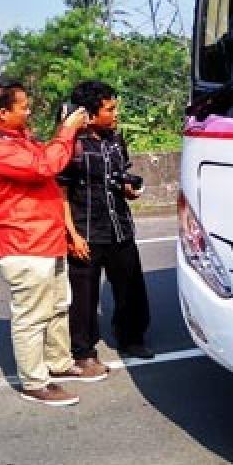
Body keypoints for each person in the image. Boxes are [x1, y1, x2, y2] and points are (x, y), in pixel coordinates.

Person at [0, 79, 106, 408]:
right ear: (2, 114)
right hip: (24, 244)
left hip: (48, 238)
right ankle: (34, 382)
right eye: (24, 107)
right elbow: (46, 166)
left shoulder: (18, 138)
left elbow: (52, 160)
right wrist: (67, 130)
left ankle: (60, 364)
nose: (29, 111)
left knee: (59, 307)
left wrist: (68, 131)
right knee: (31, 317)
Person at [60, 81, 154, 366]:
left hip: (120, 227)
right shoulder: (71, 145)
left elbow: (122, 175)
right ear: (88, 113)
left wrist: (129, 189)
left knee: (130, 288)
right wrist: (72, 235)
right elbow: (60, 194)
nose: (115, 114)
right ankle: (84, 351)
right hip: (86, 230)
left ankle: (131, 338)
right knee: (84, 298)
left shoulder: (115, 139)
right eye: (109, 109)